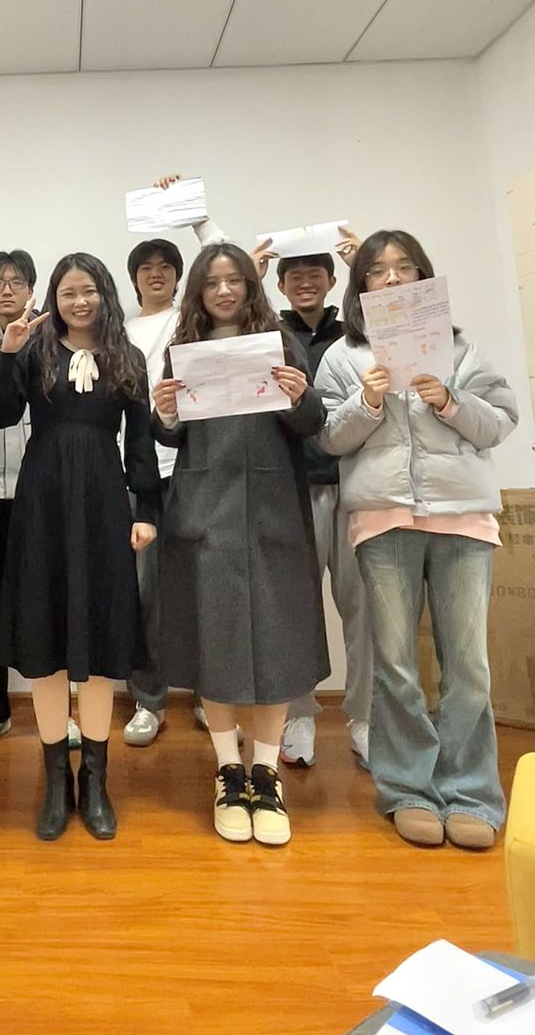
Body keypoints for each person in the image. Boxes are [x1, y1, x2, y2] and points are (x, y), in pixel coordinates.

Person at [316, 230, 518, 849]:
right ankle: (407, 789)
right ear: (361, 287)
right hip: (384, 520)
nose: (393, 279)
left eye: (405, 267)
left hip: (463, 518)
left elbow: (500, 422)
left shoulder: (460, 348)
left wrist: (452, 401)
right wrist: (368, 401)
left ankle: (471, 793)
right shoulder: (344, 356)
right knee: (396, 664)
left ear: (425, 277)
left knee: (469, 665)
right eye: (378, 271)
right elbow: (327, 438)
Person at [153, 243, 329, 846]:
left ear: (251, 287)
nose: (224, 291)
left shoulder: (279, 341)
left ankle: (266, 774)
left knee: (277, 641)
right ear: (198, 292)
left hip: (274, 512)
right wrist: (166, 413)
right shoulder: (184, 350)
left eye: (234, 280)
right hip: (206, 511)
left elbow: (313, 424)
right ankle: (229, 771)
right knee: (216, 639)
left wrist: (299, 396)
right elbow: (167, 434)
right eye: (213, 282)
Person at [0, 255, 160, 841]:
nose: (79, 301)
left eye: (88, 291)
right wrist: (8, 353)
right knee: (46, 638)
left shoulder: (127, 356)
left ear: (104, 294)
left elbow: (141, 439)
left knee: (101, 639)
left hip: (105, 499)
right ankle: (56, 781)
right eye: (67, 292)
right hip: (43, 500)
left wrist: (146, 510)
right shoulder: (34, 351)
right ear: (53, 300)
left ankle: (97, 781)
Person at [0, 249, 81, 753]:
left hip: (40, 491)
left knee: (50, 601)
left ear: (33, 289)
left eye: (17, 281)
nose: (7, 289)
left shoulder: (57, 341)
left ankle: (59, 714)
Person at [122, 175, 228, 747]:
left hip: (195, 468)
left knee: (205, 586)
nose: (156, 274)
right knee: (145, 594)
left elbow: (225, 261)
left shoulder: (194, 322)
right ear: (134, 278)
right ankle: (149, 699)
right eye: (146, 268)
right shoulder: (118, 331)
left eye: (166, 266)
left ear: (181, 277)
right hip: (139, 476)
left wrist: (195, 216)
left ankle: (214, 697)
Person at [270, 250, 373, 770]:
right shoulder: (270, 335)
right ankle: (298, 715)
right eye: (295, 277)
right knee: (295, 609)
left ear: (334, 280)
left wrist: (366, 262)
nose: (305, 283)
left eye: (315, 275)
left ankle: (365, 718)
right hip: (293, 489)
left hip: (357, 484)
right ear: (281, 286)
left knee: (363, 607)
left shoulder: (357, 332)